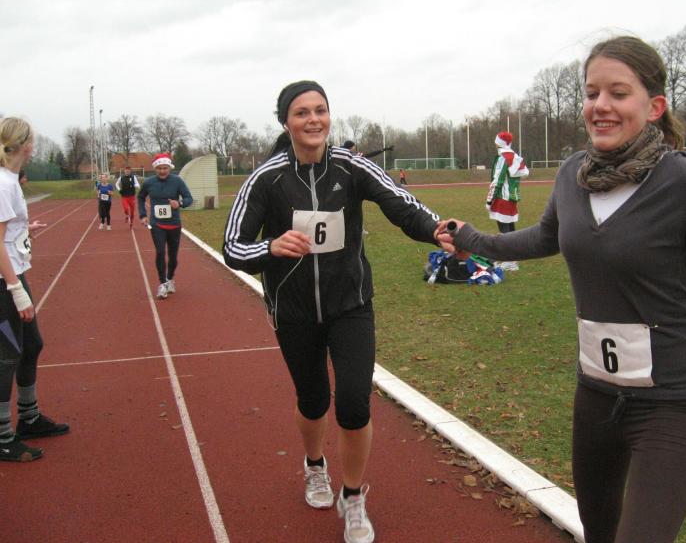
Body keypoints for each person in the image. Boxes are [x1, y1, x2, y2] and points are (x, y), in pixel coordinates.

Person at [438, 36, 686, 543]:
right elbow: (543, 238)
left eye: (618, 93)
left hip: (670, 404)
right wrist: (471, 239)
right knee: (599, 533)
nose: (600, 105)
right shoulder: (572, 175)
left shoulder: (682, 183)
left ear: (654, 107)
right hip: (596, 397)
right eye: (591, 93)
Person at [223, 80, 441, 543]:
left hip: (350, 305)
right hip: (294, 311)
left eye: (320, 110)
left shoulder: (350, 166)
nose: (313, 119)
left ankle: (354, 496)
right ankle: (314, 465)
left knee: (354, 402)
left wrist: (435, 229)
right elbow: (233, 246)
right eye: (302, 112)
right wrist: (271, 247)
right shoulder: (266, 179)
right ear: (286, 122)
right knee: (313, 400)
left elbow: (401, 205)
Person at [0, 117, 70, 462]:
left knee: (32, 344)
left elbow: (7, 231)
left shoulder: (10, 181)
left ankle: (28, 418)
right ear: (25, 145)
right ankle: (2, 436)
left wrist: (26, 228)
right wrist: (15, 288)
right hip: (4, 281)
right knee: (7, 353)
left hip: (14, 273)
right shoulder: (3, 183)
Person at [138, 153, 193, 300]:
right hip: (156, 224)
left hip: (174, 224)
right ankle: (162, 284)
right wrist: (143, 215)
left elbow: (189, 198)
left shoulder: (177, 181)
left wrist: (179, 203)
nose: (162, 171)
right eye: (159, 168)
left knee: (173, 256)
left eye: (165, 168)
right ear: (155, 169)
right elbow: (141, 197)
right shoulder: (149, 182)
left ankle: (170, 278)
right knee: (160, 252)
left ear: (169, 167)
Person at [486, 131, 529, 234]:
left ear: (499, 143)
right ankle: (515, 245)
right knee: (511, 230)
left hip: (502, 198)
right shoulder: (515, 157)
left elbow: (498, 181)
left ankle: (509, 245)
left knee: (504, 233)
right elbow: (524, 173)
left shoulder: (502, 158)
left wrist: (489, 200)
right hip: (512, 197)